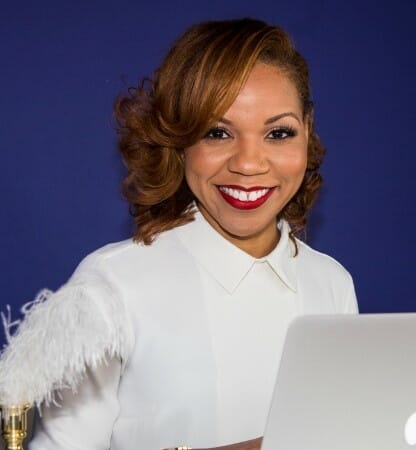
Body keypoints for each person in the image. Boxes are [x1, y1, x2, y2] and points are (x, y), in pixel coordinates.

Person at [3, 18, 357, 450]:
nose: (249, 163)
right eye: (217, 133)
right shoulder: (112, 286)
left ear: (307, 129)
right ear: (179, 141)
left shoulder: (333, 283)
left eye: (278, 132)